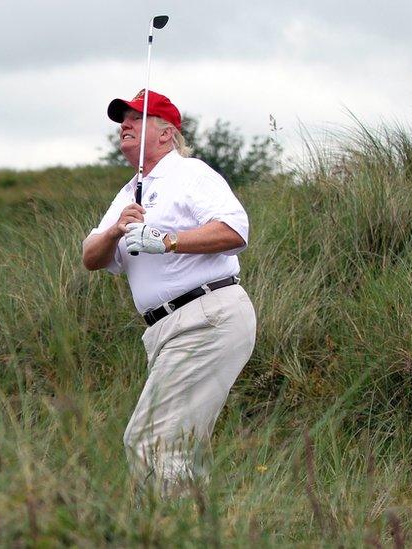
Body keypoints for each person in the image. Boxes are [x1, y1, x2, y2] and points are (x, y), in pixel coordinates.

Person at [82, 89, 257, 494]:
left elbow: (234, 231)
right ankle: (198, 530)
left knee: (151, 442)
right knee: (178, 448)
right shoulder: (129, 193)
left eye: (136, 118)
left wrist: (167, 240)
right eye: (122, 119)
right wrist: (114, 231)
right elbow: (91, 256)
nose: (124, 125)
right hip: (167, 330)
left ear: (166, 133)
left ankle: (164, 533)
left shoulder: (190, 173)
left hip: (206, 315)